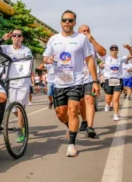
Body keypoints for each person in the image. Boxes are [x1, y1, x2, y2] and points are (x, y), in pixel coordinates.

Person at [43, 10, 100, 157]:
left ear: (74, 22)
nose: (67, 22)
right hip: (59, 81)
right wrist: (47, 60)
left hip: (76, 80)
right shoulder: (53, 39)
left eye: (70, 20)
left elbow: (89, 60)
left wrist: (95, 81)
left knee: (73, 110)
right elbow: (45, 56)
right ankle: (70, 127)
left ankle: (71, 144)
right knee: (61, 114)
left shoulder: (81, 39)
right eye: (64, 20)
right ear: (60, 22)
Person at [0, 29, 34, 143]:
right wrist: (2, 39)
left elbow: (29, 61)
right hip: (10, 81)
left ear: (22, 38)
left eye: (19, 35)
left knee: (20, 106)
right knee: (13, 108)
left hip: (23, 82)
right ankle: (23, 121)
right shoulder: (6, 48)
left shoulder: (26, 50)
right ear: (11, 37)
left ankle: (20, 130)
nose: (16, 37)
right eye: (14, 35)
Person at [78, 25, 106, 138]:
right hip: (77, 79)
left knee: (89, 100)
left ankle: (90, 127)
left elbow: (103, 52)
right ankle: (84, 120)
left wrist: (92, 40)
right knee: (80, 103)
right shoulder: (74, 43)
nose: (86, 32)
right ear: (78, 33)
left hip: (90, 78)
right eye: (83, 31)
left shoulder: (92, 43)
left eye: (87, 31)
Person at [102, 44, 132, 121]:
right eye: (112, 49)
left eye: (115, 49)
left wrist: (129, 48)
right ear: (110, 51)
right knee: (108, 99)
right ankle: (107, 104)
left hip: (118, 80)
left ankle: (116, 115)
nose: (114, 51)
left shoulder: (121, 58)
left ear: (117, 50)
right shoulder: (106, 58)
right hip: (109, 80)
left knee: (116, 99)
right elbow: (99, 52)